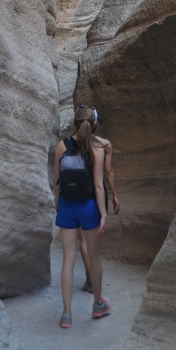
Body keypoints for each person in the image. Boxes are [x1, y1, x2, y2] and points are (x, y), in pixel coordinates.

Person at [54, 105, 112, 328]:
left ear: (74, 123)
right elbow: (98, 186)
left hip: (68, 207)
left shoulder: (62, 146)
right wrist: (103, 215)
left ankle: (67, 315)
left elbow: (57, 182)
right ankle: (98, 305)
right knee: (95, 258)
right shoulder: (97, 149)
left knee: (68, 260)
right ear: (94, 124)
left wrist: (58, 206)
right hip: (89, 207)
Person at [77, 106, 120, 293]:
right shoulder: (105, 144)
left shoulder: (70, 144)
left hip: (78, 194)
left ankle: (90, 279)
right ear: (96, 124)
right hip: (97, 194)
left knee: (83, 240)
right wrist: (115, 194)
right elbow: (108, 172)